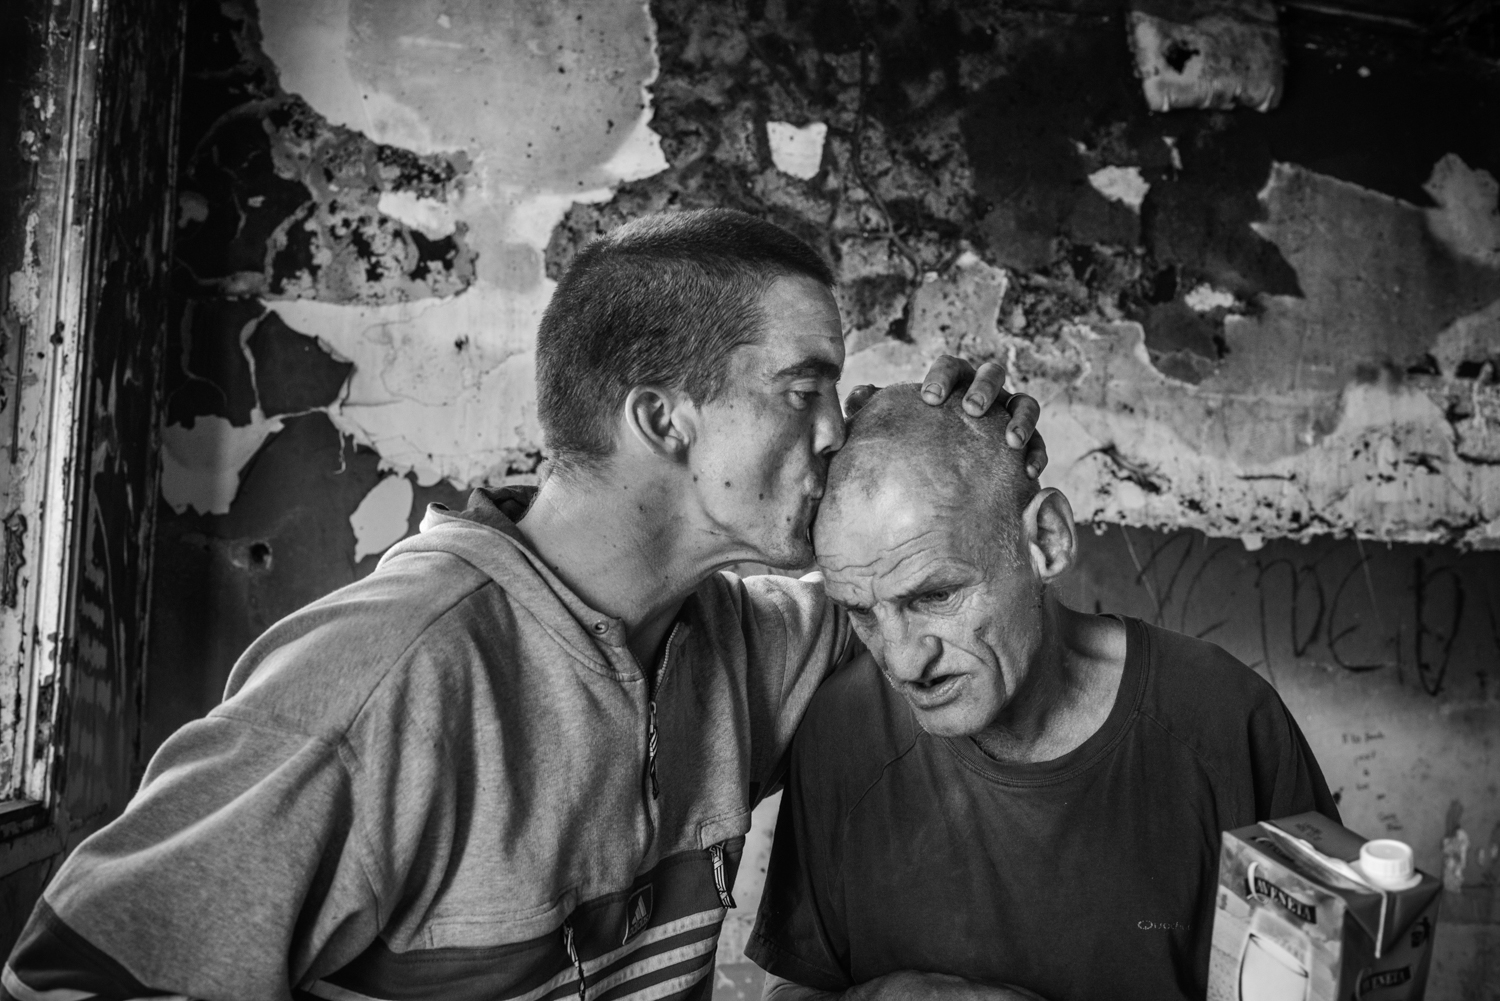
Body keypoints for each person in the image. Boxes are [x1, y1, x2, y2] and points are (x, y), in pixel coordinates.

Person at [2, 211, 1046, 1001]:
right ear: (664, 419)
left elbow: (939, 608)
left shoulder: (752, 640)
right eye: (801, 391)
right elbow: (65, 979)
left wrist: (966, 468)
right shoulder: (383, 678)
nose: (835, 435)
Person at [748, 385, 1338, 1001]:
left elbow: (1326, 978)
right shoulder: (843, 731)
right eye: (862, 613)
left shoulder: (1222, 716)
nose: (903, 661)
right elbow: (794, 989)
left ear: (1048, 541)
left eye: (936, 596)